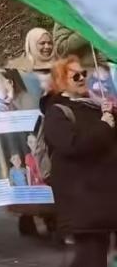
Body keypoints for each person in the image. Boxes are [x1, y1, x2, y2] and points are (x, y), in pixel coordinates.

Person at [41, 56, 117, 267]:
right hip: (83, 202)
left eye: (84, 73)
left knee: (95, 258)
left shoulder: (93, 107)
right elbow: (71, 146)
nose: (82, 77)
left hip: (103, 201)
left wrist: (110, 116)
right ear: (61, 80)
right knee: (90, 258)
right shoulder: (57, 112)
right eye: (75, 74)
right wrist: (104, 126)